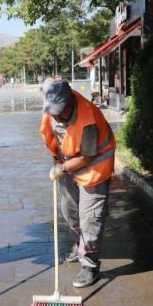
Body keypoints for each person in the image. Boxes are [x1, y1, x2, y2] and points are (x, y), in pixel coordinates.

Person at [39, 77, 115, 288]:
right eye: (52, 110)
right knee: (69, 210)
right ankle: (78, 243)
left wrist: (62, 169)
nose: (56, 115)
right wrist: (57, 160)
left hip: (94, 166)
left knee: (89, 217)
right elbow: (52, 135)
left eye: (60, 110)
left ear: (71, 101)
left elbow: (87, 156)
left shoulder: (88, 118)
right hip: (68, 162)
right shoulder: (52, 110)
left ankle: (90, 265)